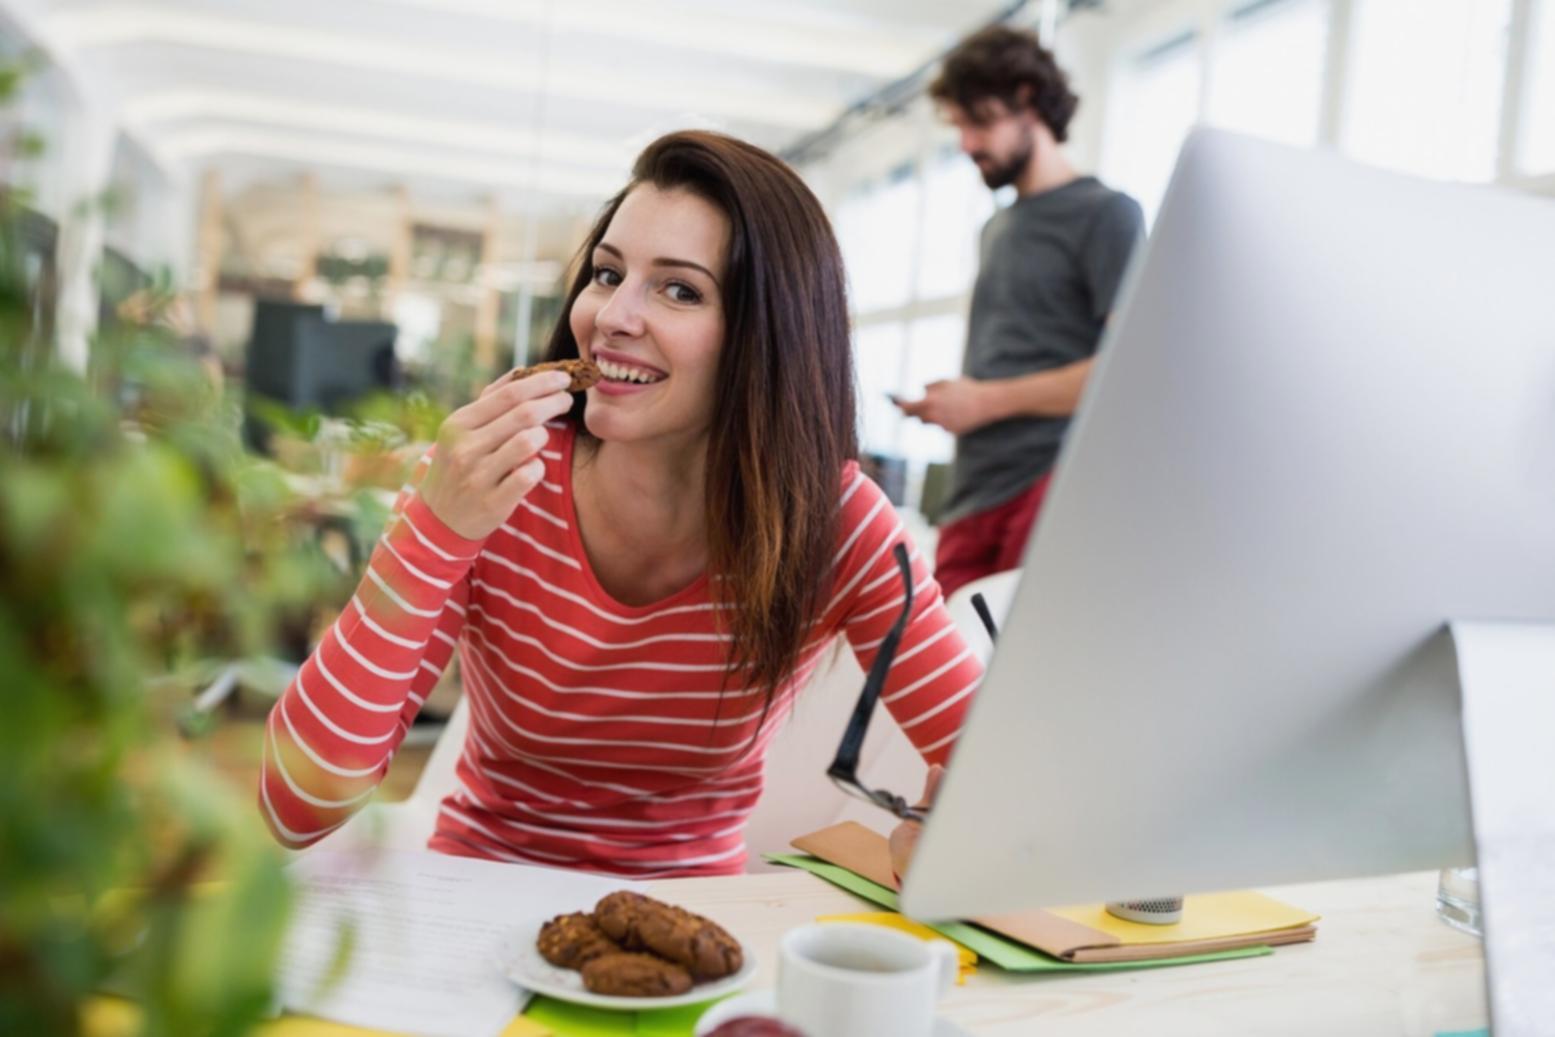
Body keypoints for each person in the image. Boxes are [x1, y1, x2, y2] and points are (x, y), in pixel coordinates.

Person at [258, 131, 983, 878]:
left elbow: (995, 774)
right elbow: (296, 806)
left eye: (678, 289)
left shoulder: (830, 522)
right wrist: (430, 534)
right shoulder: (492, 479)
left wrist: (946, 825)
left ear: (767, 340)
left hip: (693, 933)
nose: (610, 316)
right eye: (607, 274)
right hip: (472, 899)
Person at [896, 25, 1145, 600]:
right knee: (950, 672)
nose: (965, 144)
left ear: (1028, 102)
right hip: (973, 489)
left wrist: (982, 401)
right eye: (958, 126)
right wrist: (956, 403)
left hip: (1049, 484)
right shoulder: (997, 227)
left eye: (978, 122)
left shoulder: (1107, 215)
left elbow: (1124, 371)